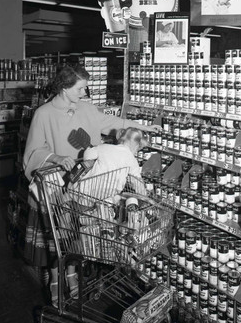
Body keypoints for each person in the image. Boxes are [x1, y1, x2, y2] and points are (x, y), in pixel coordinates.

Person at [23, 64, 160, 307]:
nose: (85, 94)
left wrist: (142, 127)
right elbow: (34, 149)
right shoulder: (43, 114)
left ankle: (73, 273)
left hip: (86, 185)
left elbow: (111, 121)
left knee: (78, 236)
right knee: (58, 239)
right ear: (64, 88)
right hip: (56, 185)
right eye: (81, 88)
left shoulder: (85, 108)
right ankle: (56, 279)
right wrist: (55, 158)